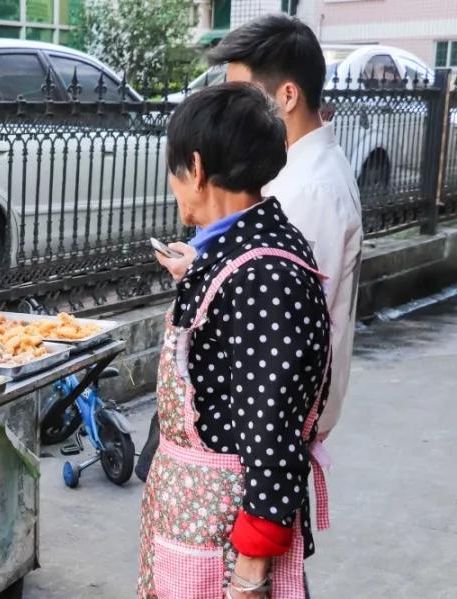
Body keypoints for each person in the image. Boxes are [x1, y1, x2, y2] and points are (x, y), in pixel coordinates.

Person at [138, 13, 363, 481]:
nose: (234, 107)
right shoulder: (302, 174)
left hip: (259, 441)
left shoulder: (308, 191)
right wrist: (202, 268)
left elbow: (280, 323)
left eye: (243, 93)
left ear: (286, 96)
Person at [137, 83, 332, 599]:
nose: (175, 186)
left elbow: (272, 434)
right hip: (194, 528)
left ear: (196, 169)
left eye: (175, 170)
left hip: (224, 544)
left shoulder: (264, 275)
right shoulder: (246, 251)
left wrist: (249, 577)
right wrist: (197, 275)